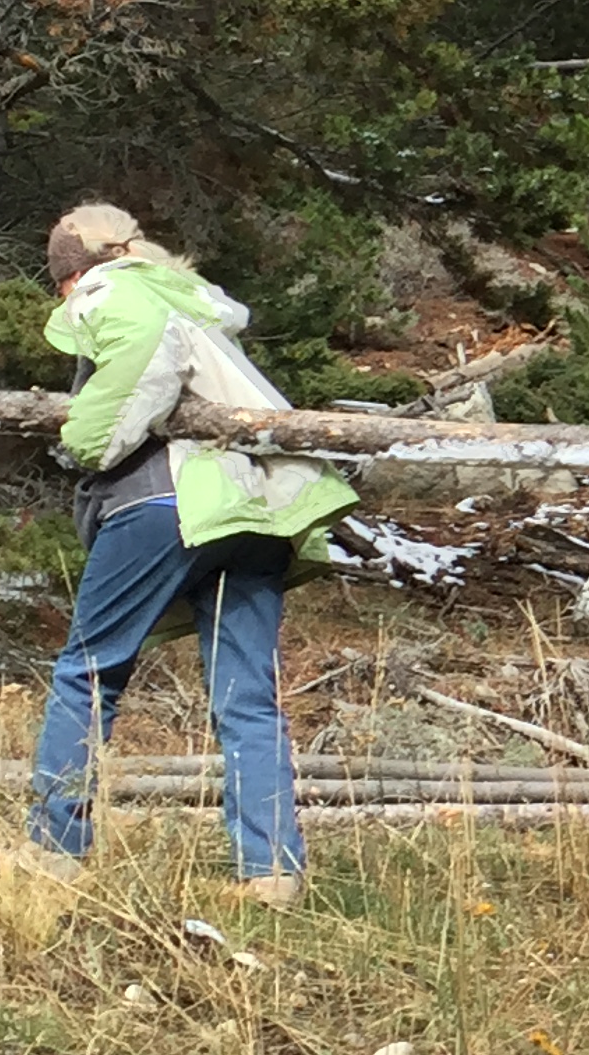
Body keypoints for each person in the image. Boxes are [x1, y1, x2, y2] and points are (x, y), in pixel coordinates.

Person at [25, 204, 359, 905]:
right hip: (253, 509)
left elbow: (142, 354)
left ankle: (54, 853)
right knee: (247, 697)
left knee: (87, 672)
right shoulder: (193, 304)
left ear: (71, 273)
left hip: (167, 499)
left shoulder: (115, 291)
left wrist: (84, 439)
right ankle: (269, 871)